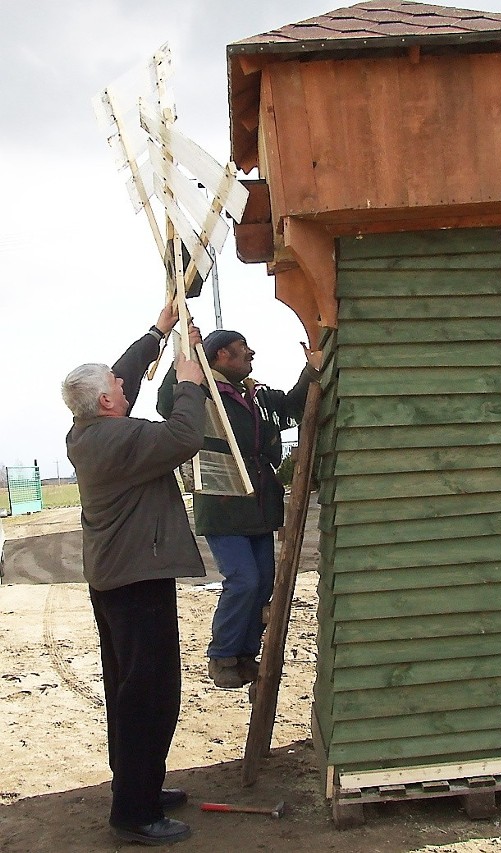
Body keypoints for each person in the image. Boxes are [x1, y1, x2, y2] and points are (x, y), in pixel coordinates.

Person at [62, 305, 206, 847]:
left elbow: (120, 375)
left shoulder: (87, 431)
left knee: (128, 689)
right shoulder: (119, 441)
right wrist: (188, 378)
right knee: (150, 695)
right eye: (118, 387)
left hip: (116, 580)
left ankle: (136, 787)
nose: (126, 385)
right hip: (136, 583)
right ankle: (135, 813)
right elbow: (187, 433)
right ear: (106, 402)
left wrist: (160, 329)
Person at [157, 330, 320, 688]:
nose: (251, 354)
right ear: (218, 356)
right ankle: (223, 655)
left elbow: (292, 410)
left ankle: (245, 655)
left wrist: (311, 370)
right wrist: (186, 355)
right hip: (223, 502)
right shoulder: (201, 394)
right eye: (242, 349)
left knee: (262, 583)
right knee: (243, 579)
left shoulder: (256, 395)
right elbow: (168, 403)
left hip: (259, 503)